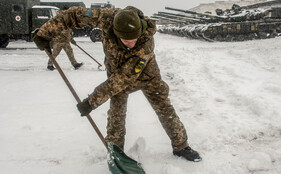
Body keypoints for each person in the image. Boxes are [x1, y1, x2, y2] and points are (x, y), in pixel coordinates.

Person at [32, 6, 201, 162]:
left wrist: (92, 102)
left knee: (164, 106)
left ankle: (181, 146)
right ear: (115, 31)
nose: (131, 44)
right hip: (116, 71)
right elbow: (71, 15)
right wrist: (45, 33)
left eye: (134, 39)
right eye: (126, 40)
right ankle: (116, 152)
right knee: (116, 113)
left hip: (147, 76)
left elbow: (123, 78)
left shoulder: (145, 44)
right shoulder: (106, 18)